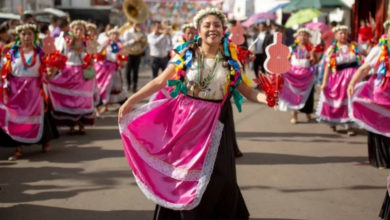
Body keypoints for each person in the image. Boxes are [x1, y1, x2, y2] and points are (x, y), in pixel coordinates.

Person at [118, 8, 268, 219]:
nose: (212, 29)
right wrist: (132, 100)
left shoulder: (230, 59)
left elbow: (249, 91)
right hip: (186, 122)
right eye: (207, 25)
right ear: (199, 30)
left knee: (222, 177)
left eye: (216, 25)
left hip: (215, 124)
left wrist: (266, 98)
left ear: (223, 30)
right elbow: (159, 81)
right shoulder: (186, 54)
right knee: (182, 174)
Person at [0, 23, 59, 160]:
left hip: (34, 90)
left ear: (34, 36)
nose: (26, 37)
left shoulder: (40, 53)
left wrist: (51, 72)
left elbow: (46, 71)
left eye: (30, 34)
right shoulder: (11, 53)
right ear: (18, 36)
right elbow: (5, 71)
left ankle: (44, 142)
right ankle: (18, 148)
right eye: (24, 34)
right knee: (15, 118)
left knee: (39, 116)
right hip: (16, 91)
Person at [348, 20, 390, 169]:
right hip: (379, 91)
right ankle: (382, 159)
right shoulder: (379, 50)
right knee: (378, 124)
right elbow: (364, 69)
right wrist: (352, 83)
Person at [48, 20, 96, 135]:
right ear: (72, 31)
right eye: (76, 29)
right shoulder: (66, 41)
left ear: (85, 31)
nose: (79, 31)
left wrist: (90, 63)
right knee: (70, 99)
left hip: (83, 74)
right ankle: (72, 124)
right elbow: (60, 56)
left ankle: (82, 124)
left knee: (83, 100)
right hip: (68, 72)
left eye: (81, 29)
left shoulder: (89, 43)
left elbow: (94, 58)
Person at [316, 25, 363, 136]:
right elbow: (327, 67)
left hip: (353, 78)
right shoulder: (332, 50)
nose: (343, 35)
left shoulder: (354, 46)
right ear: (336, 35)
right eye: (340, 33)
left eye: (345, 33)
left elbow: (367, 55)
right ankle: (334, 121)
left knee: (351, 101)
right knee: (337, 101)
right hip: (338, 79)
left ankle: (350, 126)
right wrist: (323, 83)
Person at [279, 28, 316, 124]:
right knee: (294, 95)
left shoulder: (311, 48)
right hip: (293, 75)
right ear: (297, 37)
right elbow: (286, 60)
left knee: (307, 96)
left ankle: (308, 113)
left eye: (305, 35)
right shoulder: (292, 48)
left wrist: (313, 55)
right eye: (301, 35)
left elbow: (315, 61)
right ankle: (294, 115)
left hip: (307, 75)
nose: (303, 37)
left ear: (308, 37)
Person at [95, 27, 128, 114]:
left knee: (117, 87)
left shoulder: (120, 45)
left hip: (115, 68)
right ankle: (104, 105)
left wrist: (122, 61)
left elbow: (123, 56)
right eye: (112, 34)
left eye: (116, 34)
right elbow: (99, 54)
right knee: (106, 86)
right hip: (106, 69)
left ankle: (122, 104)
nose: (114, 36)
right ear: (109, 35)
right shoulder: (106, 44)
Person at [123, 22, 147, 93]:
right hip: (129, 53)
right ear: (132, 24)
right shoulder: (128, 32)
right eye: (136, 24)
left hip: (137, 53)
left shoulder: (141, 33)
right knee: (128, 70)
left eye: (139, 24)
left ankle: (134, 85)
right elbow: (125, 43)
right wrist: (134, 40)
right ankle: (128, 84)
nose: (137, 26)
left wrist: (142, 37)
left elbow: (144, 42)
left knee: (136, 70)